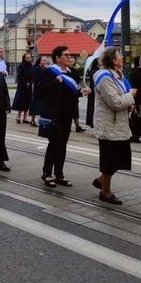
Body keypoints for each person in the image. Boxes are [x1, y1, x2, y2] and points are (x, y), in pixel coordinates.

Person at [39, 46, 91, 187]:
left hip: (67, 114)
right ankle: (47, 173)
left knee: (63, 145)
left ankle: (59, 175)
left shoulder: (72, 72)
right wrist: (55, 83)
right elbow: (40, 91)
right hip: (54, 113)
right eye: (66, 55)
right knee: (54, 143)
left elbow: (72, 92)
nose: (69, 57)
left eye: (70, 55)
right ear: (57, 58)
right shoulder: (49, 72)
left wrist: (82, 92)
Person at [92, 47, 137, 204]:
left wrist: (129, 103)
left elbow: (120, 97)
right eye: (120, 56)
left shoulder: (117, 74)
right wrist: (130, 97)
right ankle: (105, 192)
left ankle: (100, 180)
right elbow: (115, 102)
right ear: (113, 60)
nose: (122, 57)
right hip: (109, 124)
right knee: (110, 160)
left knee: (121, 158)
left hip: (119, 124)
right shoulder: (104, 77)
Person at [12, 53, 33, 124]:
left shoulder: (31, 66)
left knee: (27, 102)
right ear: (24, 58)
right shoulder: (21, 65)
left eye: (29, 57)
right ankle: (18, 117)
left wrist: (30, 82)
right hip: (22, 86)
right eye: (27, 58)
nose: (28, 59)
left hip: (29, 87)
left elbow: (33, 76)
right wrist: (26, 82)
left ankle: (25, 118)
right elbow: (20, 75)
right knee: (21, 102)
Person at [29, 55, 49, 127]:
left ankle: (43, 121)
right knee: (35, 106)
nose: (45, 62)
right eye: (43, 60)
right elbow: (36, 79)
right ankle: (32, 120)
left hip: (44, 90)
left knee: (43, 107)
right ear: (39, 61)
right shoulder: (36, 69)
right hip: (38, 90)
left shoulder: (46, 69)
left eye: (46, 60)